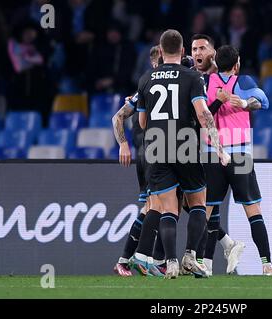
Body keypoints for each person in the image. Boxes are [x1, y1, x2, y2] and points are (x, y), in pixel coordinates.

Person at [135, 29, 229, 279]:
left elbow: (142, 122)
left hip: (156, 147)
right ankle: (190, 255)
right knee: (198, 202)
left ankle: (171, 262)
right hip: (184, 144)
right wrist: (219, 147)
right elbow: (203, 113)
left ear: (161, 50)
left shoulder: (146, 79)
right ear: (184, 51)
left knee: (168, 209)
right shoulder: (191, 77)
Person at [202, 45, 272, 276]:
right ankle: (267, 264)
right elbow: (263, 102)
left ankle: (204, 265)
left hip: (211, 153)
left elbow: (201, 111)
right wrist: (244, 103)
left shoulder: (207, 82)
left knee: (207, 211)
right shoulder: (243, 82)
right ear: (237, 64)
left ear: (216, 62)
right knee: (252, 209)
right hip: (240, 153)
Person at [189, 34, 245, 275]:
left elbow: (205, 118)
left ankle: (206, 263)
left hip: (210, 148)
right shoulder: (192, 76)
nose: (198, 52)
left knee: (206, 205)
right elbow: (198, 118)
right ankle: (226, 245)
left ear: (213, 52)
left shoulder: (219, 79)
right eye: (194, 49)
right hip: (190, 146)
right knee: (197, 205)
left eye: (203, 48)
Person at [112, 45, 165, 278]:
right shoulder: (147, 87)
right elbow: (118, 116)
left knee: (158, 207)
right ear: (155, 64)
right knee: (158, 206)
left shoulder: (147, 87)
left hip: (156, 152)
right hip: (151, 155)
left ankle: (146, 259)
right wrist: (123, 144)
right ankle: (134, 259)